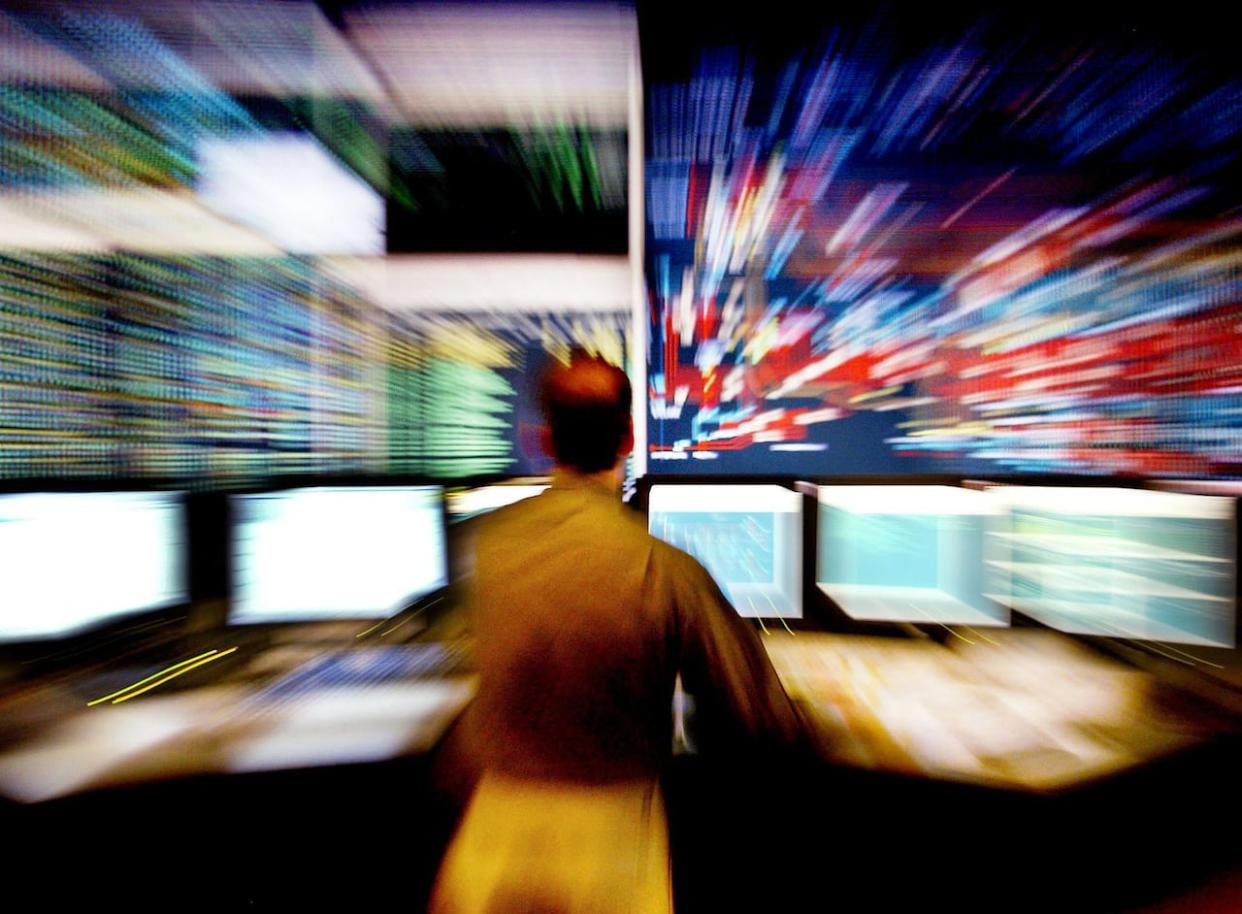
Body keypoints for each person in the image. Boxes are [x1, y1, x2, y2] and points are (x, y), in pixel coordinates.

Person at [429, 349, 807, 914]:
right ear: (629, 438)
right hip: (611, 844)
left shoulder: (487, 547)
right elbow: (758, 717)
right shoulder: (664, 568)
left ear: (544, 442)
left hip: (492, 831)